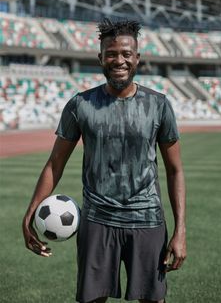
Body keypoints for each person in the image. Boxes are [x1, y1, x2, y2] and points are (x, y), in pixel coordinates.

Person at [22, 19, 186, 303]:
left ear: (137, 58)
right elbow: (55, 163)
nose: (118, 60)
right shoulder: (80, 105)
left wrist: (180, 229)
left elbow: (175, 170)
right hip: (97, 219)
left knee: (153, 300)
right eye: (111, 54)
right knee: (91, 299)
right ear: (100, 58)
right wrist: (31, 213)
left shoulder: (159, 105)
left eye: (125, 54)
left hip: (147, 219)